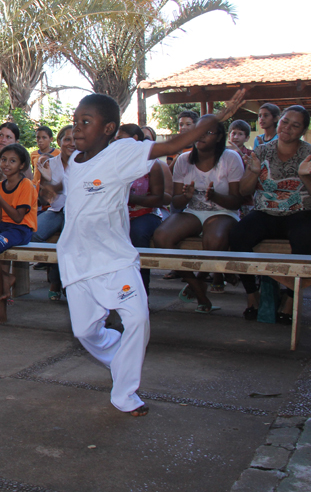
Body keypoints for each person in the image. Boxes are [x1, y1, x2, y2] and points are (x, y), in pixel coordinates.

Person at [38, 88, 245, 416]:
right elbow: (74, 186)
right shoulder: (74, 160)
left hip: (115, 259)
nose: (76, 128)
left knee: (137, 319)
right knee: (84, 331)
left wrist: (214, 118)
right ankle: (120, 354)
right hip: (76, 259)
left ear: (107, 129)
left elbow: (173, 145)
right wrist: (54, 187)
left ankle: (125, 394)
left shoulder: (122, 152)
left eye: (86, 122)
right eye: (75, 121)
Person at [231, 105, 311, 323]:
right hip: (265, 212)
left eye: (296, 125)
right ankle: (252, 295)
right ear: (279, 121)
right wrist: (254, 172)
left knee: (305, 241)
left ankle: (290, 299)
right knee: (238, 237)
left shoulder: (309, 154)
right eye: (285, 121)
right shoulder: (262, 150)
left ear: (302, 130)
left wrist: (305, 177)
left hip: (299, 212)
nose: (288, 128)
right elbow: (244, 191)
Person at [153, 121, 243, 312]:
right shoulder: (183, 159)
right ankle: (198, 289)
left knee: (215, 239)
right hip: (193, 211)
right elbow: (176, 204)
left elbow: (237, 201)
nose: (201, 136)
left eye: (208, 132)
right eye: (198, 131)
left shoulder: (231, 158)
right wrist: (185, 197)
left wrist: (216, 197)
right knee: (161, 236)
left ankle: (201, 280)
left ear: (219, 137)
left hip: (223, 212)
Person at [0, 144, 36, 324]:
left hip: (21, 229)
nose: (6, 164)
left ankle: (1, 295)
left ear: (22, 166)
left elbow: (18, 218)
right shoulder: (1, 184)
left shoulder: (26, 185)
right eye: (3, 160)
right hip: (4, 226)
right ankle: (5, 279)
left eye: (12, 161)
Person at [116, 124, 166, 297]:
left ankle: (141, 293)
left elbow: (159, 198)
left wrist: (131, 198)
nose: (116, 142)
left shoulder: (152, 164)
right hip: (120, 213)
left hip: (146, 213)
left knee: (137, 234)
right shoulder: (114, 162)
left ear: (134, 140)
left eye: (120, 138)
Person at [33, 125, 75, 300]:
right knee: (32, 233)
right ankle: (55, 276)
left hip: (75, 213)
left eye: (75, 139)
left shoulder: (85, 163)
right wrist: (46, 186)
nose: (71, 143)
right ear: (59, 142)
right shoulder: (50, 163)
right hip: (56, 210)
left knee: (66, 239)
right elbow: (44, 199)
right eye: (67, 139)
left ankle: (58, 283)